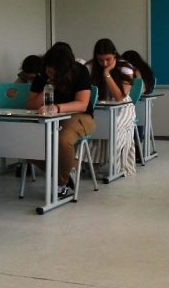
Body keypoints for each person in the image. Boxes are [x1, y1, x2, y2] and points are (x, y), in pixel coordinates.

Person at [27, 42, 95, 198]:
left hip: (80, 116)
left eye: (53, 71)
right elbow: (30, 105)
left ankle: (60, 184)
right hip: (50, 118)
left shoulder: (80, 71)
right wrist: (49, 85)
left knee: (63, 140)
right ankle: (67, 171)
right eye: (47, 70)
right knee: (26, 144)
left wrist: (57, 108)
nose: (49, 73)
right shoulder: (43, 76)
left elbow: (82, 104)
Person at [89, 38, 137, 177]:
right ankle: (93, 164)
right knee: (94, 126)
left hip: (123, 108)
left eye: (108, 59)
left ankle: (115, 166)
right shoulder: (92, 66)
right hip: (101, 106)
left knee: (113, 127)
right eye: (100, 60)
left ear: (115, 55)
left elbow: (119, 97)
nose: (104, 63)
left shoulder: (126, 67)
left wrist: (107, 74)